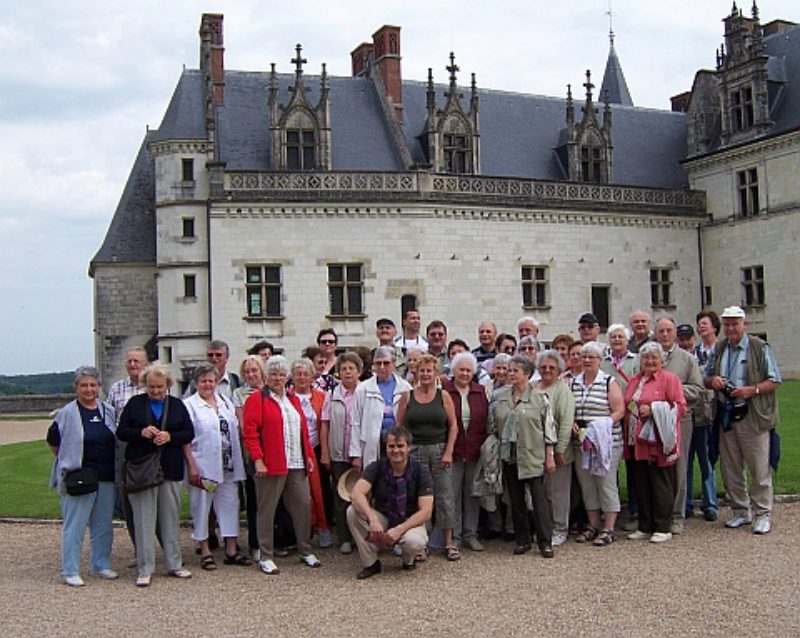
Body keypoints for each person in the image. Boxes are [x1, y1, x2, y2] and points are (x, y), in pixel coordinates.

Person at [704, 306, 782, 534]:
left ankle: (763, 513)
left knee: (758, 467)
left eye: (734, 323)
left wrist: (752, 390)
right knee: (731, 467)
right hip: (727, 413)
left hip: (752, 414)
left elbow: (775, 379)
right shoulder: (719, 348)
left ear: (744, 324)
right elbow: (706, 377)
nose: (730, 328)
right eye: (727, 324)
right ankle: (740, 510)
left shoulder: (758, 347)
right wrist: (714, 381)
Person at [242, 355, 323, 574]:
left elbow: (302, 431)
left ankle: (305, 549)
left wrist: (307, 455)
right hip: (271, 464)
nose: (277, 378)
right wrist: (258, 460)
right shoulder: (257, 399)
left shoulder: (293, 399)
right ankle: (265, 554)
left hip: (296, 462)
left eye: (281, 374)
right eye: (273, 374)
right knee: (266, 509)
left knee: (302, 506)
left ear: (286, 377)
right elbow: (250, 433)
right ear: (266, 377)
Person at [117, 363, 194, 587]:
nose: (156, 391)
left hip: (169, 468)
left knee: (170, 518)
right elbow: (122, 432)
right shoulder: (135, 404)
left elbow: (189, 432)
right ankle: (145, 567)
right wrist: (141, 432)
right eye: (151, 387)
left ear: (167, 385)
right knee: (143, 520)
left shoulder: (177, 405)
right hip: (142, 469)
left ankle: (174, 563)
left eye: (160, 387)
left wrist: (170, 437)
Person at [48, 366, 118, 587]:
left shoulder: (108, 410)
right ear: (76, 388)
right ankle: (70, 569)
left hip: (105, 475)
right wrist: (68, 461)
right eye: (84, 385)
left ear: (98, 387)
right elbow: (54, 442)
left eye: (93, 385)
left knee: (103, 524)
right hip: (79, 476)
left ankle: (101, 563)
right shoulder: (67, 413)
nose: (89, 389)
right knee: (75, 525)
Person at [183, 364, 249, 569]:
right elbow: (185, 439)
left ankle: (231, 549)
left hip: (228, 467)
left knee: (230, 505)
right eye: (203, 381)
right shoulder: (189, 405)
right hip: (204, 468)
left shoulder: (224, 402)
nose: (208, 385)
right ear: (196, 383)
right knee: (202, 506)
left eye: (211, 381)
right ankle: (205, 549)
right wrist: (192, 466)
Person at [490, 355, 556, 558]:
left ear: (526, 374)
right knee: (516, 500)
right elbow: (493, 426)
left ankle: (545, 542)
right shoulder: (500, 398)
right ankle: (523, 540)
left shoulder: (539, 398)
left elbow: (548, 428)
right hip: (509, 456)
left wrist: (550, 455)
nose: (510, 374)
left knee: (539, 501)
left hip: (532, 455)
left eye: (514, 370)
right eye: (509, 370)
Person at [346, 426, 434, 579]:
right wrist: (372, 520)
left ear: (409, 448)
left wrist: (399, 529)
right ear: (386, 447)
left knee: (413, 541)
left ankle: (409, 559)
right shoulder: (377, 467)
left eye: (400, 446)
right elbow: (356, 493)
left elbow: (426, 511)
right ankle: (371, 563)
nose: (396, 450)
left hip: (410, 521)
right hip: (384, 517)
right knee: (352, 511)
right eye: (391, 446)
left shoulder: (421, 471)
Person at [397, 354, 459, 561]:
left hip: (440, 450)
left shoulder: (444, 396)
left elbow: (453, 426)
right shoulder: (407, 397)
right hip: (415, 452)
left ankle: (449, 542)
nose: (425, 374)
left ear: (436, 373)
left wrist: (449, 450)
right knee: (419, 498)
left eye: (429, 370)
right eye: (421, 370)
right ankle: (420, 544)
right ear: (416, 373)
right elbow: (399, 429)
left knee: (445, 496)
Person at [623, 342, 687, 543]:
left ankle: (663, 526)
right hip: (636, 440)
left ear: (662, 360)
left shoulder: (670, 379)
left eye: (654, 358)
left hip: (658, 439)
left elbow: (680, 406)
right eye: (646, 358)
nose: (649, 361)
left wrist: (654, 409)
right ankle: (645, 524)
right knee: (641, 482)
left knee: (661, 482)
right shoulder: (635, 380)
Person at [569, 341, 625, 546]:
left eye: (591, 357)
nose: (586, 360)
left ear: (600, 360)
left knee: (605, 482)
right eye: (583, 357)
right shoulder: (573, 382)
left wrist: (603, 424)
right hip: (582, 443)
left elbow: (619, 409)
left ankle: (609, 527)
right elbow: (569, 409)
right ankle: (593, 524)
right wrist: (572, 423)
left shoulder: (609, 381)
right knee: (587, 484)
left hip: (606, 442)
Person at [655, 315, 705, 535]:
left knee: (678, 466)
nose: (665, 335)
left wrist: (672, 390)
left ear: (674, 333)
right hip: (652, 419)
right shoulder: (648, 356)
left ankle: (676, 515)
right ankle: (657, 514)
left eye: (669, 331)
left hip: (679, 418)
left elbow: (697, 390)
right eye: (661, 331)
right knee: (654, 468)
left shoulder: (687, 359)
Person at [442, 352, 489, 551]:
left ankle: (471, 534)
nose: (465, 373)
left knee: (472, 494)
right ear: (454, 370)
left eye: (469, 370)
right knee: (452, 495)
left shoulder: (480, 392)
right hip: (452, 450)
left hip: (475, 450)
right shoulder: (445, 390)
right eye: (461, 369)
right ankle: (455, 536)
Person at [320, 352, 363, 554]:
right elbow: (325, 426)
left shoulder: (365, 392)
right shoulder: (332, 395)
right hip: (338, 453)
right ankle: (344, 538)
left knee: (362, 496)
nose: (347, 372)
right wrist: (325, 453)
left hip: (361, 454)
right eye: (344, 368)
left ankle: (362, 536)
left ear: (359, 371)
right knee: (341, 497)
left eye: (351, 368)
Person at [106, 347, 148, 545]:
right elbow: (110, 420)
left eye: (137, 361)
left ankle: (167, 551)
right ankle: (138, 549)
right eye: (130, 361)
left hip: (151, 448)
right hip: (125, 446)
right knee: (128, 497)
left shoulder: (154, 386)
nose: (132, 365)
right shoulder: (116, 389)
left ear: (145, 363)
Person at [601, 323, 640, 531]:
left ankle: (635, 510)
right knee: (610, 465)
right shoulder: (604, 363)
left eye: (620, 337)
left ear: (627, 340)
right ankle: (612, 510)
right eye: (613, 337)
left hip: (632, 418)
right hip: (612, 419)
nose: (617, 340)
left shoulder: (636, 361)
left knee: (634, 465)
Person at [291, 357, 333, 548]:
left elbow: (325, 424)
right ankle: (303, 529)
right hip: (295, 450)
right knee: (300, 493)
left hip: (317, 448)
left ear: (312, 376)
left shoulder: (321, 396)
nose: (302, 377)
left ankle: (324, 527)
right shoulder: (287, 397)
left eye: (305, 374)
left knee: (321, 490)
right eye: (298, 374)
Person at [677, 324, 718, 522]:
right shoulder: (677, 360)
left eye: (688, 339)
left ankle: (710, 503)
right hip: (684, 417)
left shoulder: (705, 358)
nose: (685, 343)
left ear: (694, 339)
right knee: (685, 461)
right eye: (682, 339)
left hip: (702, 416)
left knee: (706, 460)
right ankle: (687, 503)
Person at [536, 351, 576, 547]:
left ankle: (560, 528)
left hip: (558, 452)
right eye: (543, 367)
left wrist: (559, 450)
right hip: (536, 452)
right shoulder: (534, 387)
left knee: (558, 492)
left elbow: (566, 423)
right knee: (543, 492)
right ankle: (545, 527)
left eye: (552, 367)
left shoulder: (562, 391)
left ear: (559, 369)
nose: (547, 370)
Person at [350, 346, 412, 470]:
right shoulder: (363, 389)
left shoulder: (405, 388)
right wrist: (356, 454)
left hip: (398, 444)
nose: (382, 367)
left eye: (386, 363)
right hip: (373, 443)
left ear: (394, 364)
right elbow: (355, 422)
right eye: (378, 363)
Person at [232, 355, 267, 561]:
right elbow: (243, 423)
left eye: (254, 370)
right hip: (252, 449)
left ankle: (273, 540)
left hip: (273, 448)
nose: (251, 375)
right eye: (247, 372)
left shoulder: (271, 390)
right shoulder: (239, 393)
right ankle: (255, 543)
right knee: (254, 497)